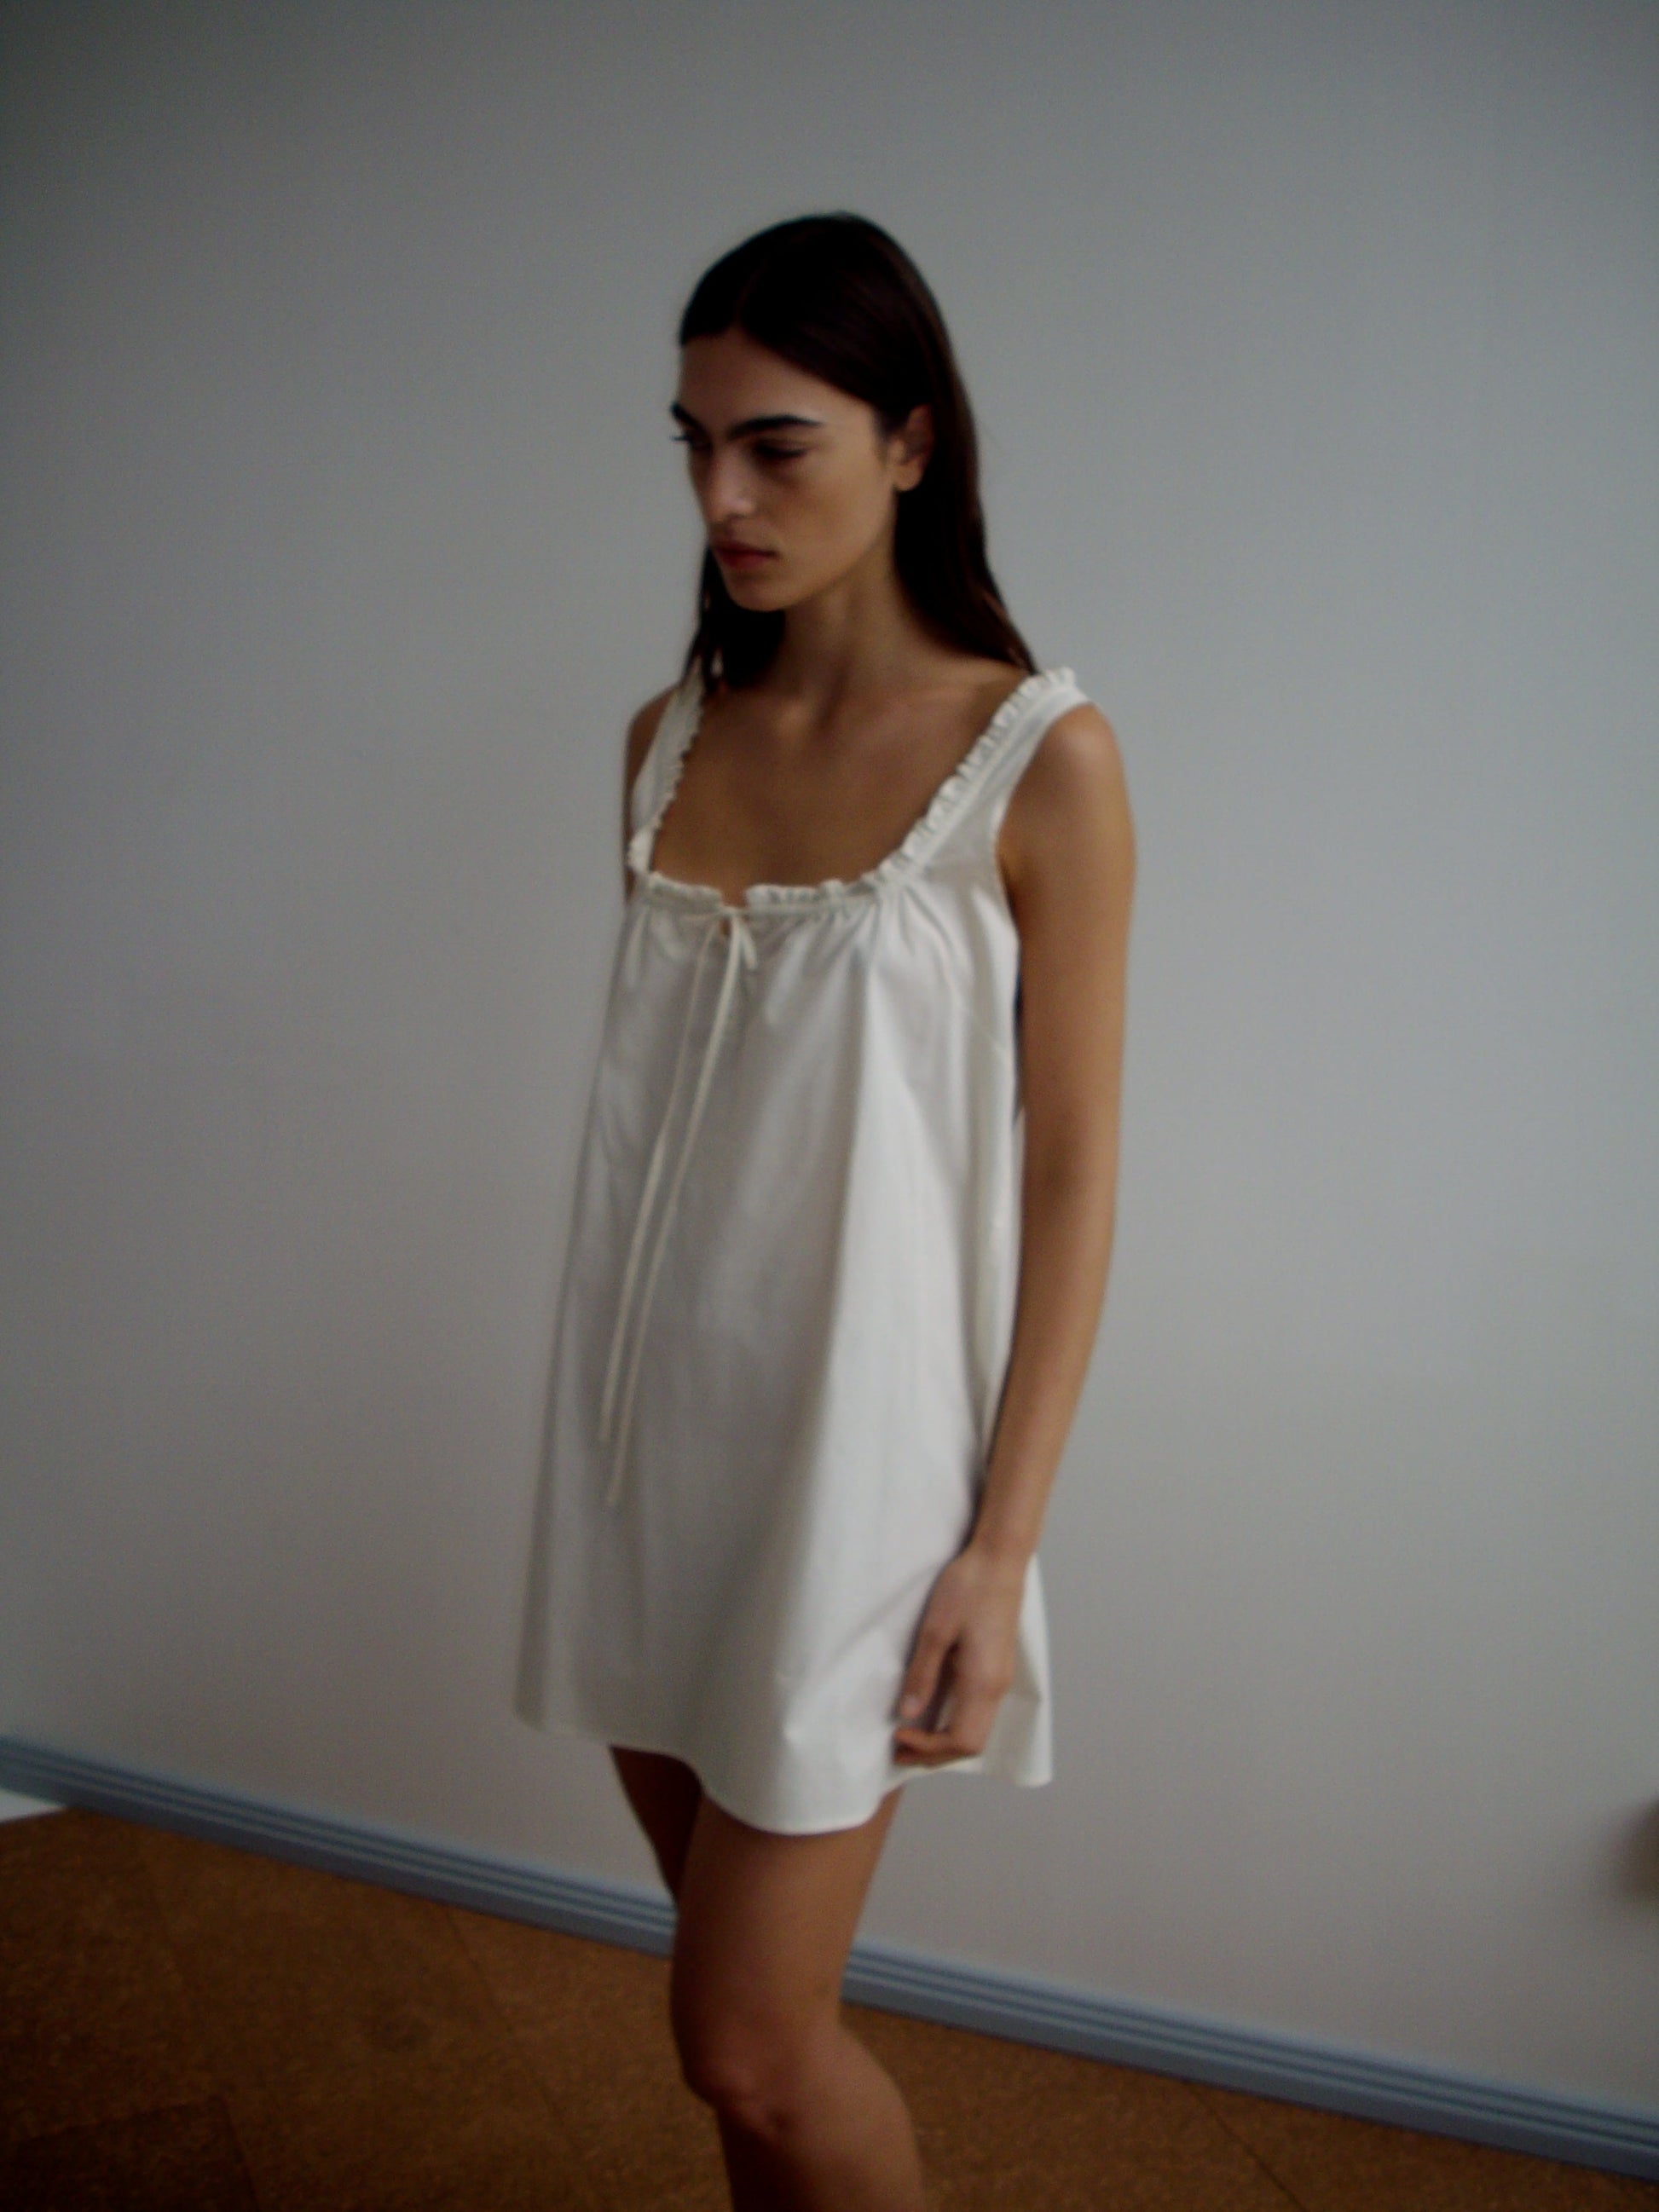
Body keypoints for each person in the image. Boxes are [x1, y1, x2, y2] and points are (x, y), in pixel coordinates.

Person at [515, 211, 1135, 2211]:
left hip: (862, 1484)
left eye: (773, 443)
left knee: (749, 2043)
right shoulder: (664, 741)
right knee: (736, 2059)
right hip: (640, 1449)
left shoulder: (1037, 760)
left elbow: (1071, 1164)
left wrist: (1000, 1548)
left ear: (910, 444)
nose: (719, 495)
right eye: (690, 443)